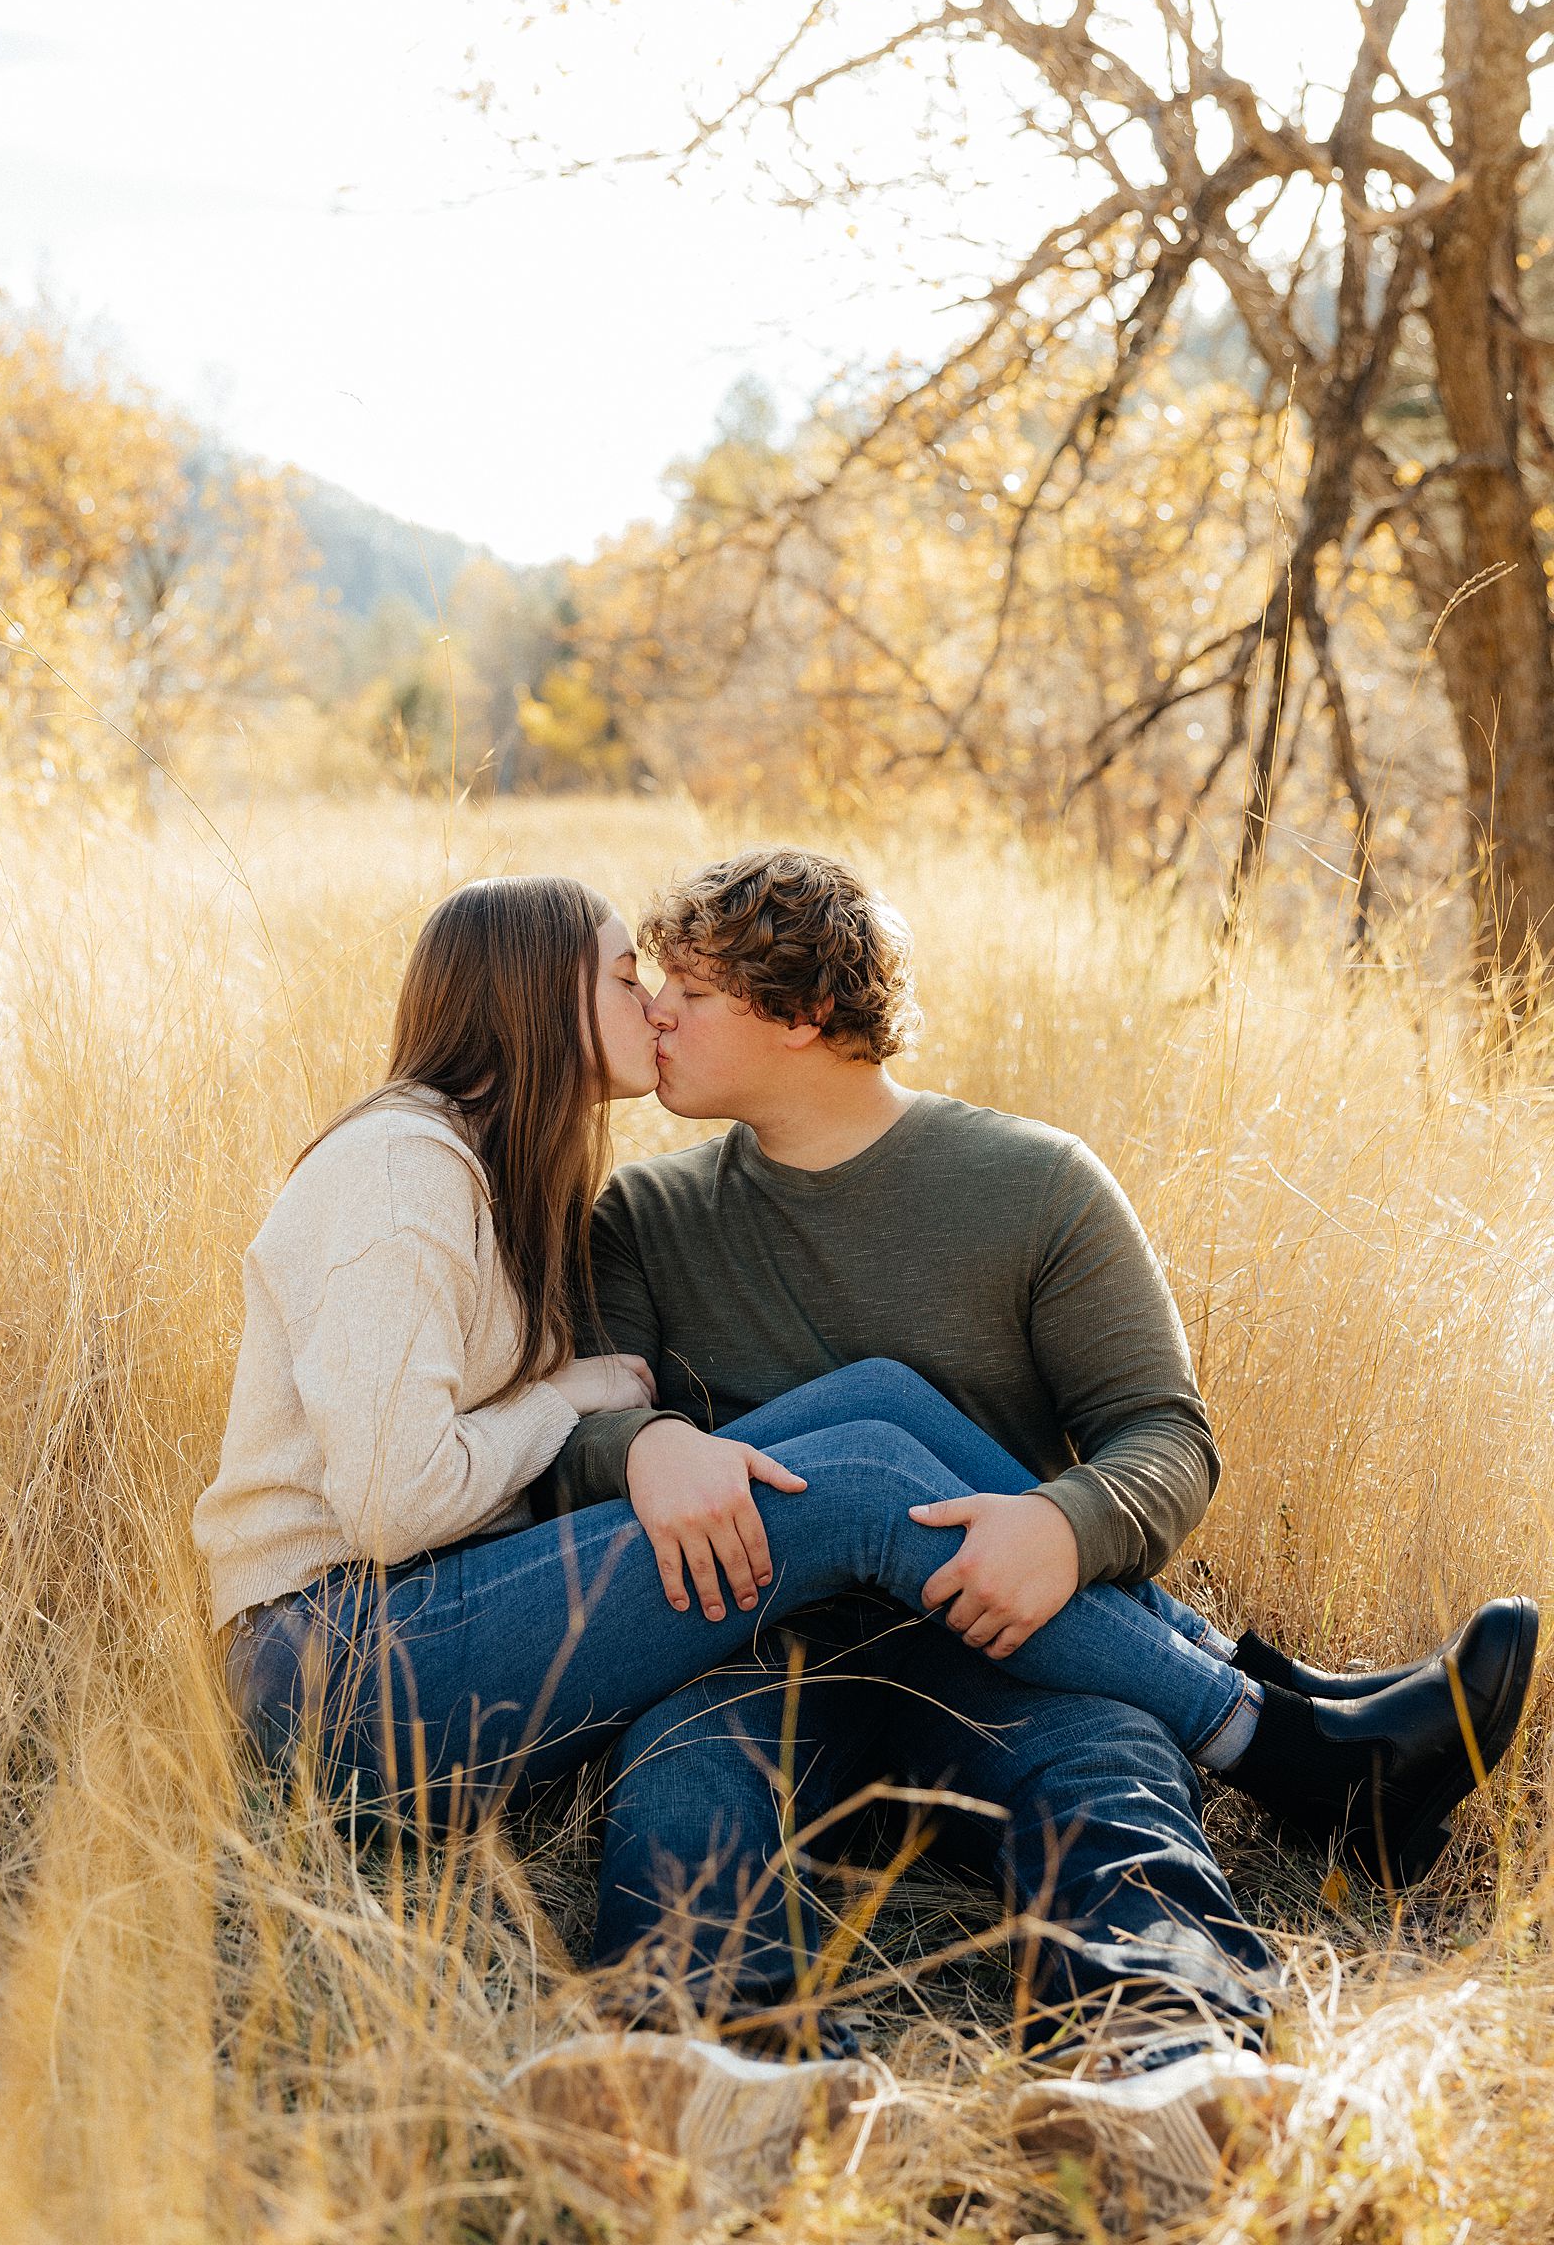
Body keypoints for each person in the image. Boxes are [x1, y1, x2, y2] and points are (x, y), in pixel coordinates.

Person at [194, 867, 1534, 2219]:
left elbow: (1164, 1436)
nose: (652, 1009)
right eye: (630, 979)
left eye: (688, 992)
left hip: (1005, 1638)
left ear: (806, 1011)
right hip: (737, 1641)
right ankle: (721, 2062)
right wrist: (642, 1443)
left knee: (1104, 1759)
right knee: (690, 1767)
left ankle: (1172, 2076)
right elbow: (561, 1447)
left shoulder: (1034, 1186)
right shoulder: (605, 1210)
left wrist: (1063, 1531)